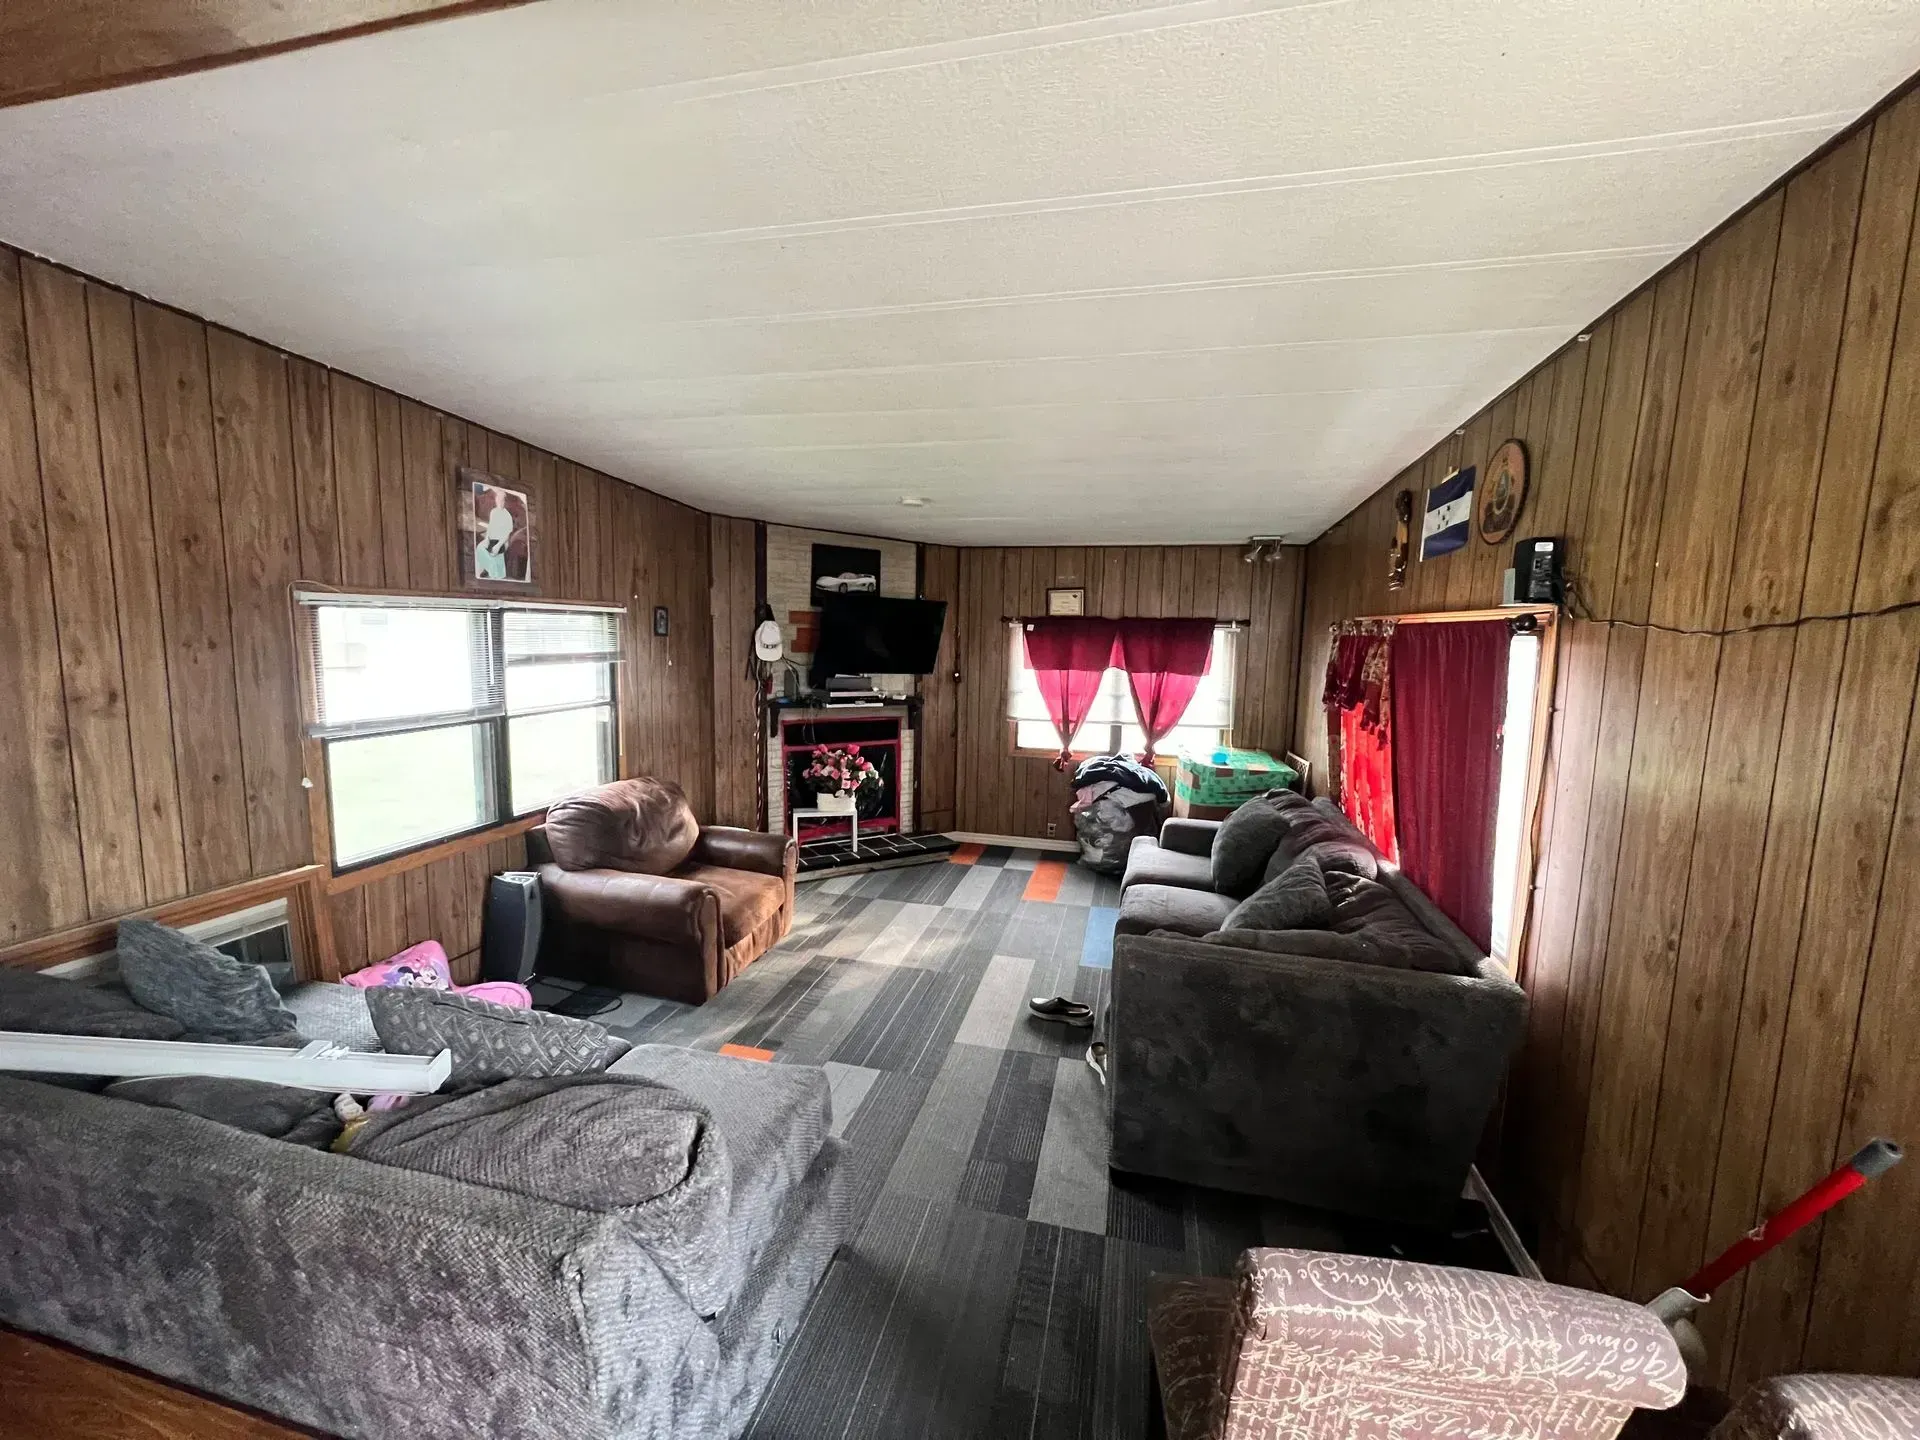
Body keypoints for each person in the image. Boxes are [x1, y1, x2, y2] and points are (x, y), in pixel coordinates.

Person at [475, 486, 514, 579]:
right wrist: (487, 539)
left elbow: (507, 534)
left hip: (501, 542)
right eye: (498, 498)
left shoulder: (507, 515)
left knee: (494, 554)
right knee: (480, 548)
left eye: (502, 499)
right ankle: (489, 569)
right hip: (491, 539)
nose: (500, 501)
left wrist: (499, 545)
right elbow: (491, 528)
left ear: (504, 501)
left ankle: (493, 571)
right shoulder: (493, 512)